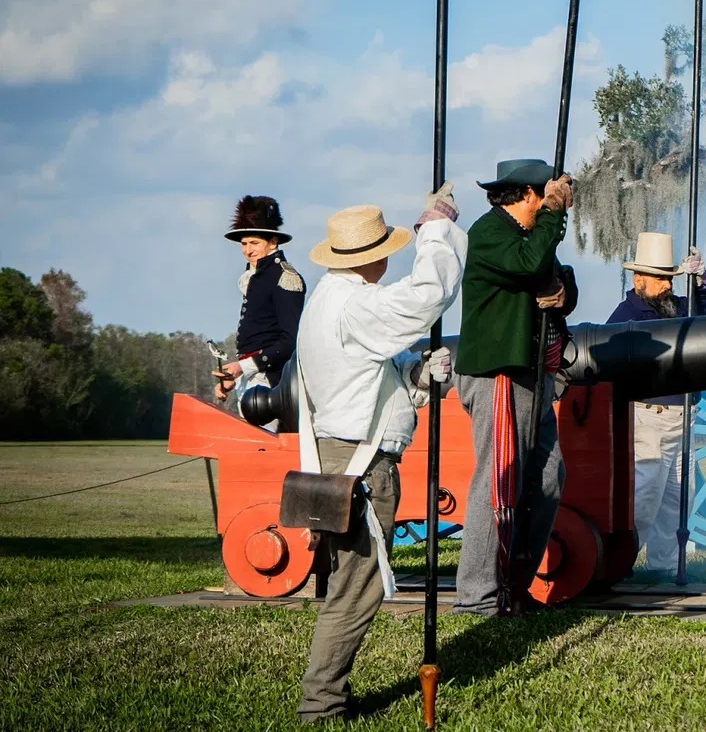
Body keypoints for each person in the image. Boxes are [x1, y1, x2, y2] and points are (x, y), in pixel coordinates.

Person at [294, 187, 466, 724]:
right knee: (356, 592)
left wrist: (415, 379)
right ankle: (320, 705)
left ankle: (326, 699)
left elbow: (365, 388)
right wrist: (435, 230)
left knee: (349, 586)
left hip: (344, 451)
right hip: (362, 465)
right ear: (377, 255)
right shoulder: (355, 304)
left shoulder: (327, 300)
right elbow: (427, 295)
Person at [452, 159, 578, 616]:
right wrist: (554, 214)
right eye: (546, 193)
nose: (555, 198)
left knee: (548, 475)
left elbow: (550, 273)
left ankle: (512, 586)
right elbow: (529, 266)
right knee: (498, 481)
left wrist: (563, 291)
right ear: (529, 193)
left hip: (531, 372)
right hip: (498, 372)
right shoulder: (490, 233)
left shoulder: (526, 236)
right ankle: (477, 596)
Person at [606, 231, 706, 574]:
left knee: (676, 502)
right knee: (644, 500)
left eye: (670, 278)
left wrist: (701, 279)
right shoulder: (624, 316)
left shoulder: (680, 308)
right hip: (649, 416)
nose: (666, 286)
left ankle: (665, 566)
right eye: (659, 279)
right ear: (638, 279)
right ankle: (620, 565)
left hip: (684, 416)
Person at [214, 196, 304, 425]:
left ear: (272, 242)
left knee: (265, 454)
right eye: (244, 244)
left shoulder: (285, 277)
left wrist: (241, 367)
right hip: (252, 378)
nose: (247, 250)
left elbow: (290, 341)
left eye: (254, 243)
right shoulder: (254, 277)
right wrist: (237, 374)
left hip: (273, 382)